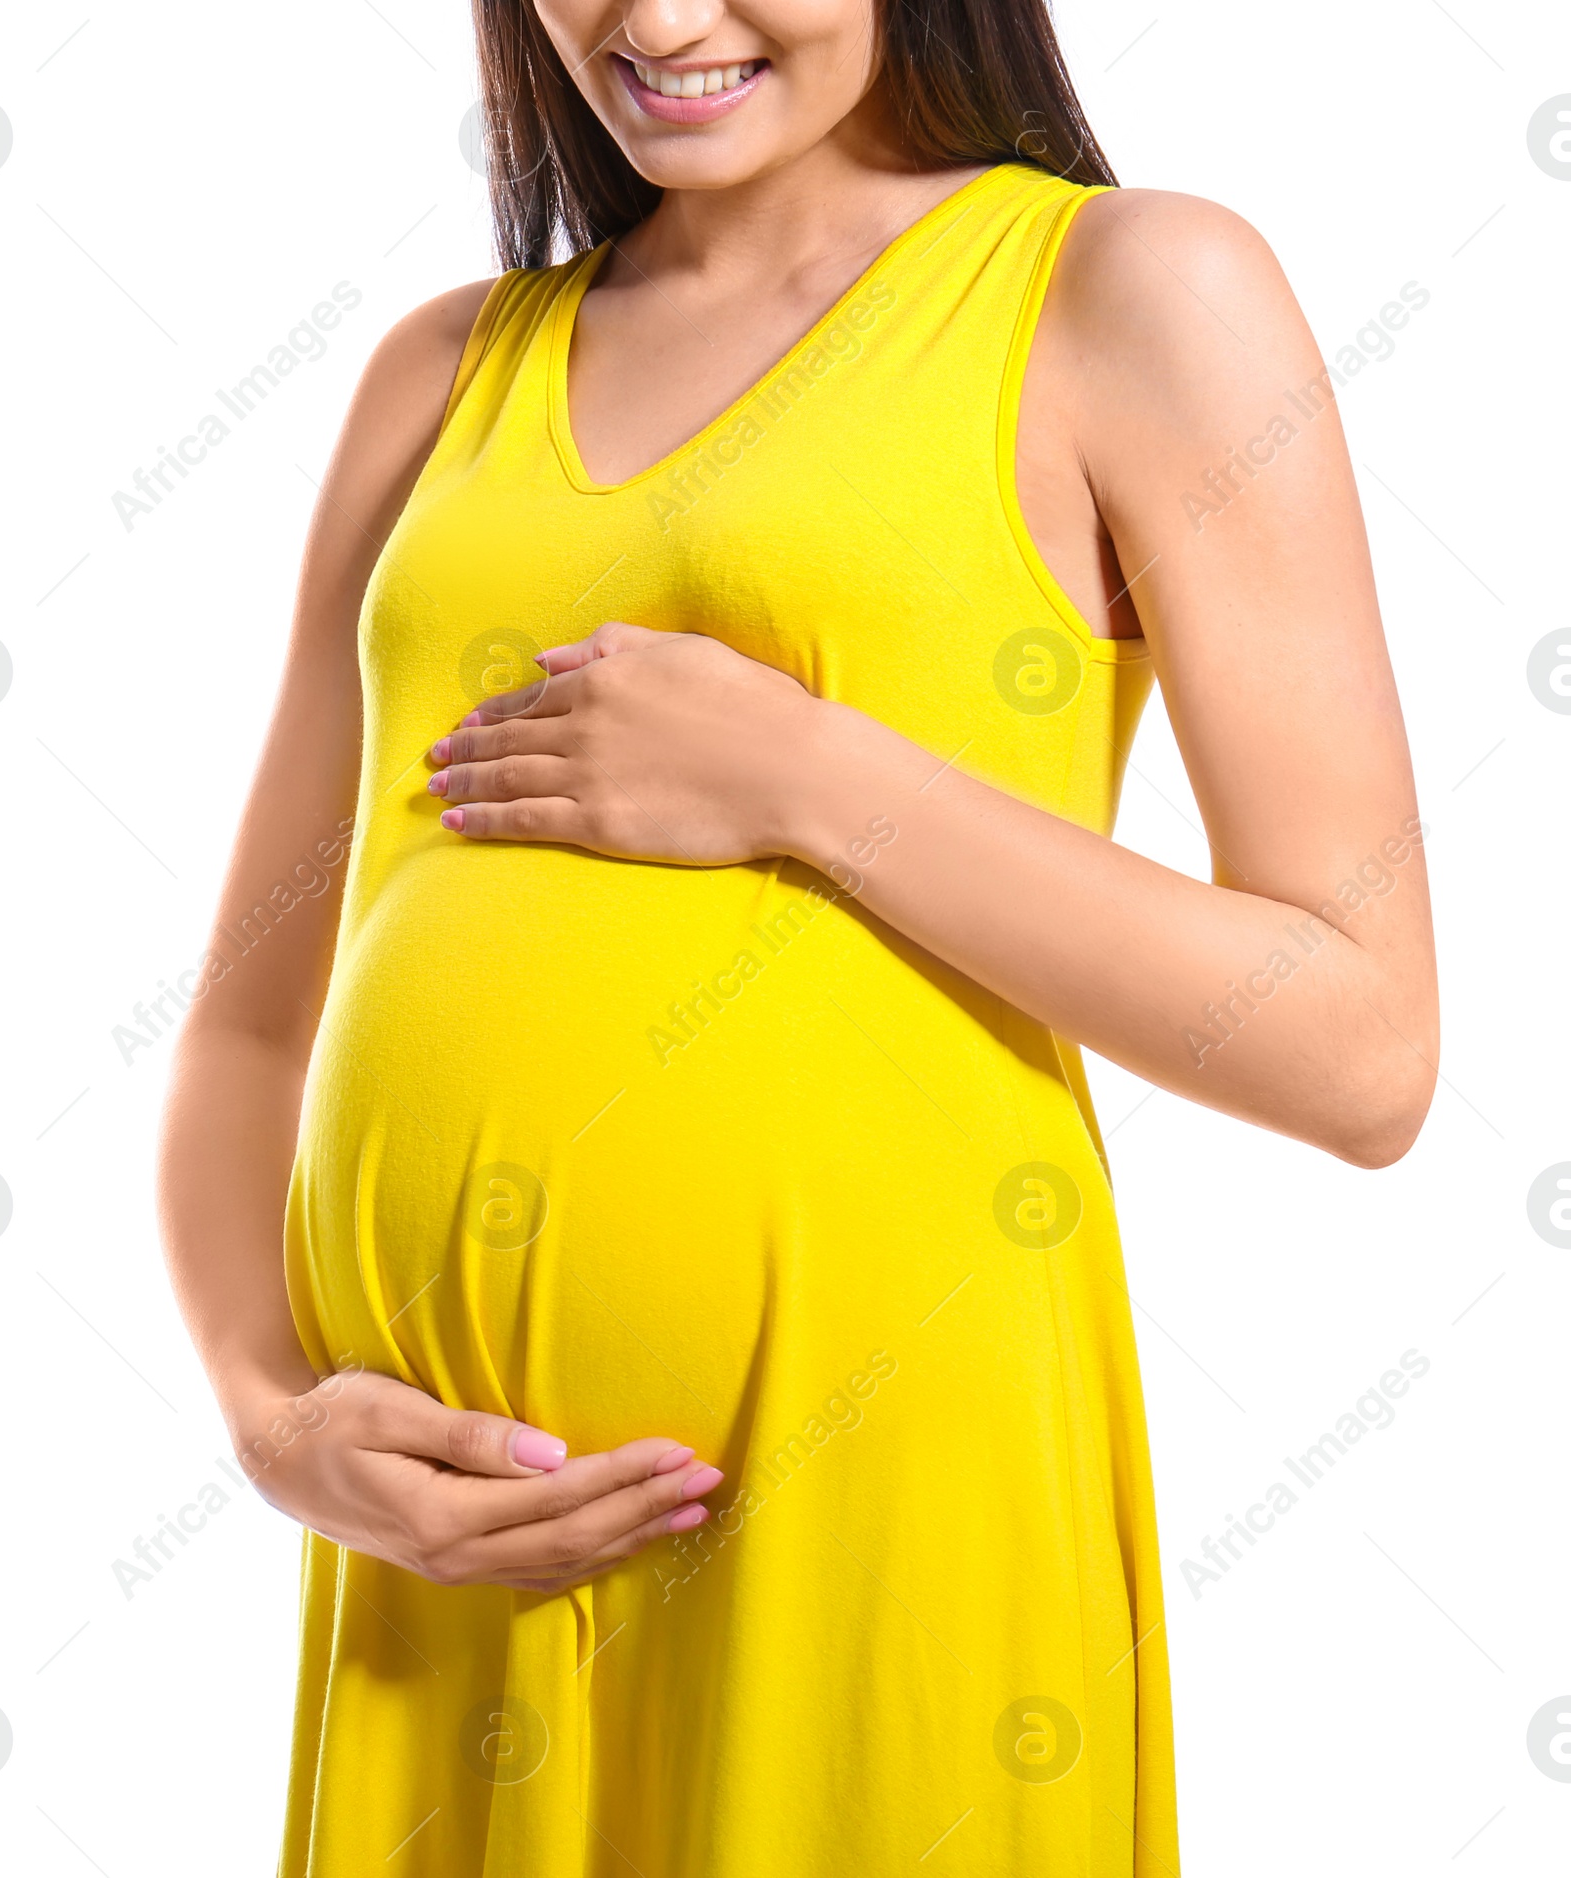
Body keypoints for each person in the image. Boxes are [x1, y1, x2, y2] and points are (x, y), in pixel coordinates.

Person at [157, 1, 1439, 1872]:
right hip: (454, 1581)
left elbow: (1362, 1045)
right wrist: (274, 1417)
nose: (663, 22)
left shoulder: (1133, 290)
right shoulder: (439, 377)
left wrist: (812, 779)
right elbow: (251, 1024)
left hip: (881, 1485)